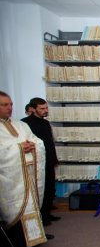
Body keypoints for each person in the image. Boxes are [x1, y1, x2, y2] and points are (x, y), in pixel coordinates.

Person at [0, 91, 47, 247]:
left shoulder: (20, 125)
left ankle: (34, 240)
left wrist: (33, 145)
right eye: (4, 105)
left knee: (31, 206)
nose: (9, 108)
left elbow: (37, 141)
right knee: (15, 209)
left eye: (11, 104)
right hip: (10, 179)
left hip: (27, 173)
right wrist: (19, 148)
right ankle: (17, 243)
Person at [21, 97, 60, 226]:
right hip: (36, 164)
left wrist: (54, 159)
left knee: (49, 188)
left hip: (48, 161)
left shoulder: (45, 123)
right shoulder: (25, 124)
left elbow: (49, 143)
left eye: (46, 108)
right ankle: (40, 217)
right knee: (39, 189)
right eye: (42, 108)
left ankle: (47, 214)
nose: (45, 111)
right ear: (33, 109)